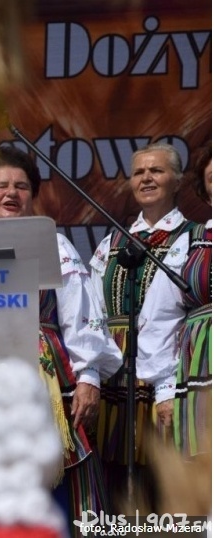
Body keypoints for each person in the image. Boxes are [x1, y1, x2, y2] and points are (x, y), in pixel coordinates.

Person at [0, 145, 122, 527]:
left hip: (46, 387)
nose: (12, 193)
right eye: (1, 185)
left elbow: (81, 315)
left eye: (22, 186)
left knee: (53, 486)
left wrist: (89, 377)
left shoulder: (53, 245)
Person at [89, 142, 199, 503]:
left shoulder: (194, 238)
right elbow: (91, 310)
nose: (147, 178)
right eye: (139, 172)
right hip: (114, 371)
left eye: (157, 170)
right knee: (114, 475)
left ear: (178, 180)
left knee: (164, 473)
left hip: (171, 368)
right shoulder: (112, 243)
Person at [137, 144, 211, 458]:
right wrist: (165, 389)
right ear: (205, 190)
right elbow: (159, 317)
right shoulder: (192, 242)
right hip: (204, 368)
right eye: (212, 177)